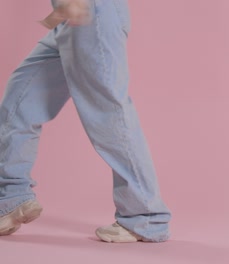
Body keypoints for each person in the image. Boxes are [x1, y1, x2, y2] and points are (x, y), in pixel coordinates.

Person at [0, 0, 172, 243]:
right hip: (69, 17)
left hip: (90, 11)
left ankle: (146, 216)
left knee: (107, 113)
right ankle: (11, 198)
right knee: (19, 100)